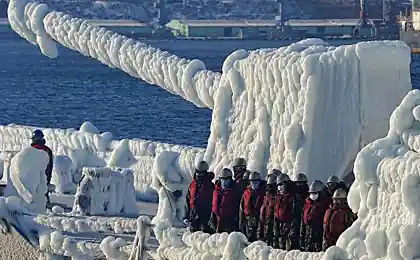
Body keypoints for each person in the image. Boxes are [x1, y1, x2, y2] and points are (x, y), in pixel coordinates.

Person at [273, 174, 301, 250]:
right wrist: (276, 229)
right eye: (278, 185)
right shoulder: (279, 196)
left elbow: (296, 215)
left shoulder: (293, 196)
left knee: (289, 249)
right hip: (280, 227)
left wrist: (292, 230)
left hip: (289, 228)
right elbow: (276, 212)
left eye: (281, 184)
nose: (279, 187)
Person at [185, 161, 214, 233]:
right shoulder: (193, 184)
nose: (199, 174)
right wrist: (187, 215)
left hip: (205, 217)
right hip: (193, 216)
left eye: (201, 173)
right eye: (198, 172)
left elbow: (214, 203)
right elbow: (188, 199)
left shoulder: (210, 186)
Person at [300, 180, 330, 252]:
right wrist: (302, 235)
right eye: (311, 193)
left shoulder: (325, 205)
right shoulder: (307, 204)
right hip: (308, 236)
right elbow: (303, 220)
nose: (312, 195)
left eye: (315, 193)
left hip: (318, 236)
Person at [209, 168, 238, 233]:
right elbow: (214, 206)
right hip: (217, 222)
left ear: (230, 179)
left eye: (226, 179)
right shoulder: (216, 191)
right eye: (222, 179)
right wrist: (212, 218)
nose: (224, 182)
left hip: (229, 223)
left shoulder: (234, 191)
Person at [239, 171, 265, 242]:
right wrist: (241, 222)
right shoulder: (246, 193)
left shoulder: (263, 192)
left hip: (259, 220)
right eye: (252, 181)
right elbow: (242, 208)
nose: (254, 184)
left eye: (256, 182)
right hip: (248, 220)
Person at [31, 130, 53, 204]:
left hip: (34, 176)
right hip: (45, 176)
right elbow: (50, 165)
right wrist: (49, 177)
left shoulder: (32, 149)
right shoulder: (47, 149)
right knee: (44, 193)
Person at [258, 174, 277, 246]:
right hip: (266, 227)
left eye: (271, 186)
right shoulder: (266, 197)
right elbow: (262, 214)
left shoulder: (277, 198)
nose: (269, 188)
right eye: (268, 186)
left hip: (273, 229)